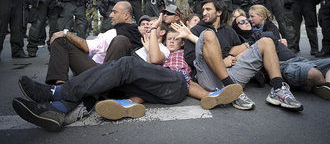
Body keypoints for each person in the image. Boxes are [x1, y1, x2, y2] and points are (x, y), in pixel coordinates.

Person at [13, 13, 241, 132]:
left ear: (181, 43)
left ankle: (56, 93)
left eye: (175, 39)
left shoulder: (179, 54)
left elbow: (184, 77)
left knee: (125, 64)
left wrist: (212, 95)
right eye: (169, 38)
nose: (172, 41)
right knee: (123, 69)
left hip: (174, 84)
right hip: (150, 87)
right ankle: (58, 108)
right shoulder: (151, 50)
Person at [181, 0, 303, 111]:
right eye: (203, 10)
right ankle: (233, 91)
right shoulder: (196, 30)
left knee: (266, 41)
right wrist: (220, 61)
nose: (204, 13)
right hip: (209, 77)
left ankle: (278, 89)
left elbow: (242, 50)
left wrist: (233, 57)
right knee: (208, 34)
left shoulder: (229, 31)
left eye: (208, 9)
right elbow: (191, 58)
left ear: (219, 12)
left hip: (233, 73)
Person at [232, 14, 330, 100]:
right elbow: (234, 54)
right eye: (241, 22)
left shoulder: (262, 31)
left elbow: (272, 31)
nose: (247, 21)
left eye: (247, 19)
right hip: (283, 65)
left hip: (300, 60)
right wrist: (250, 43)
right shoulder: (243, 40)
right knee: (313, 74)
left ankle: (328, 85)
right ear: (236, 27)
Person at [45, 1, 142, 85]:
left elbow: (87, 47)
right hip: (118, 76)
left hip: (101, 75)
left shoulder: (114, 34)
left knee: (60, 40)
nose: (110, 15)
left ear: (126, 15)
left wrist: (66, 33)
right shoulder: (138, 32)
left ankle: (59, 87)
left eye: (114, 12)